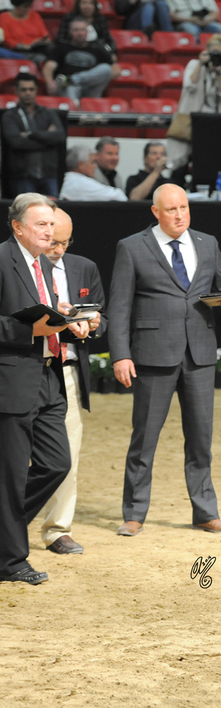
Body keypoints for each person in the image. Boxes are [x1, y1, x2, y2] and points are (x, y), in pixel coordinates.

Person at [108, 184, 221, 537]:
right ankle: (135, 512)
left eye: (184, 207)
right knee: (145, 438)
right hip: (153, 354)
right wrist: (120, 355)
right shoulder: (132, 246)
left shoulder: (207, 243)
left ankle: (205, 512)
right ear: (155, 212)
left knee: (201, 438)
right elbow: (120, 306)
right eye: (171, 209)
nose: (180, 214)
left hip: (199, 353)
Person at [0, 193, 90, 585]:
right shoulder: (3, 259)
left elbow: (43, 314)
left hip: (50, 377)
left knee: (57, 464)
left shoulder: (42, 265)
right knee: (12, 474)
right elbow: (19, 322)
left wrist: (67, 320)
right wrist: (27, 330)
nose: (49, 231)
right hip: (13, 379)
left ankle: (6, 527)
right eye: (41, 224)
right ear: (17, 226)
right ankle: (11, 560)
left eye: (51, 224)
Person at [37, 208, 105, 556]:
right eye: (51, 241)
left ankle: (58, 529)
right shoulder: (24, 268)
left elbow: (100, 316)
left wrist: (91, 323)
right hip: (28, 364)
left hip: (68, 368)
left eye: (64, 242)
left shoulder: (84, 267)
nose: (57, 249)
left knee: (68, 452)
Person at [166, 33, 221, 169]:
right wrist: (201, 65)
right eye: (215, 52)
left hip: (211, 122)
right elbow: (189, 84)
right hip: (188, 120)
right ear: (206, 51)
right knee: (179, 162)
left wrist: (218, 72)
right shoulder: (194, 65)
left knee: (205, 162)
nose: (217, 56)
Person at [1, 73, 65, 198]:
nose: (28, 93)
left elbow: (60, 137)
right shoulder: (10, 116)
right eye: (24, 89)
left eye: (31, 89)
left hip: (49, 175)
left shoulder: (49, 113)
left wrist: (31, 134)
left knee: (52, 215)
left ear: (36, 90)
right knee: (26, 215)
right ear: (16, 91)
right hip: (23, 177)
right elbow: (16, 143)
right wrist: (47, 139)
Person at [42, 17, 114, 105]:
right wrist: (49, 82)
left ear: (87, 32)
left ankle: (71, 79)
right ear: (70, 32)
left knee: (106, 68)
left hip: (90, 87)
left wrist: (93, 78)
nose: (80, 33)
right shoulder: (61, 48)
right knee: (71, 88)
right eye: (76, 30)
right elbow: (49, 66)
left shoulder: (98, 50)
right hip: (68, 87)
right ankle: (71, 86)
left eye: (83, 30)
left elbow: (114, 70)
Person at [59, 145, 128, 201]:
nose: (96, 166)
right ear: (81, 165)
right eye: (93, 162)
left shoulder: (71, 180)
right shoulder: (80, 182)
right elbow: (118, 195)